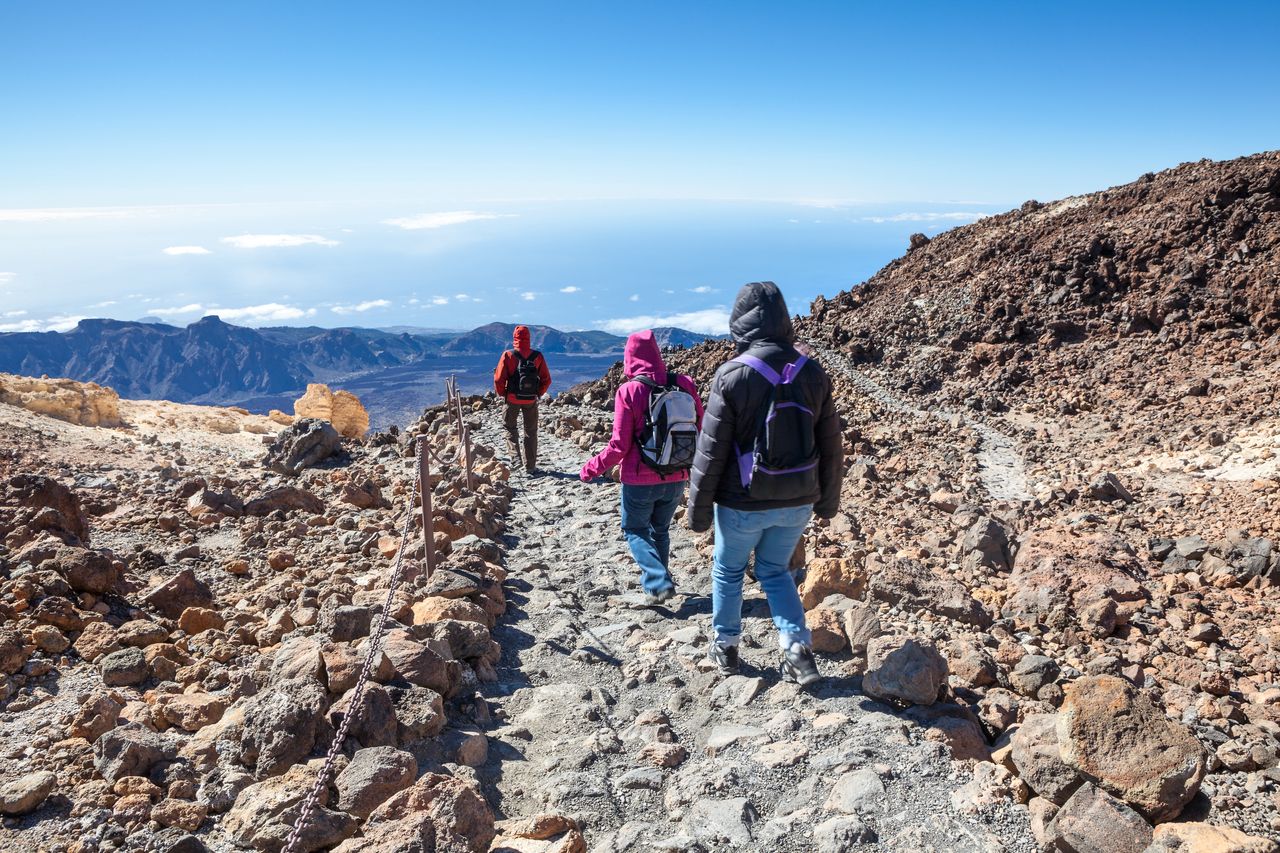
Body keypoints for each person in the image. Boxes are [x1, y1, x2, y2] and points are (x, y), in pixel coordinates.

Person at [688, 281, 843, 686]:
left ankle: (725, 647)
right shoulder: (813, 373)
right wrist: (827, 502)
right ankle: (796, 648)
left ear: (740, 323)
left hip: (742, 502)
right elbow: (831, 445)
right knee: (775, 571)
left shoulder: (732, 375)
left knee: (728, 570)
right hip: (797, 499)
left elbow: (711, 452)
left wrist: (698, 511)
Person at [580, 330, 704, 604]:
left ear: (630, 357)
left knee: (635, 530)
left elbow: (619, 446)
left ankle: (658, 581)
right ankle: (657, 587)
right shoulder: (684, 383)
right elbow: (701, 426)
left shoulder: (630, 390)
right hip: (676, 474)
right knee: (660, 530)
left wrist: (591, 468)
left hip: (639, 480)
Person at [493, 325, 551, 474]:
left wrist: (503, 394)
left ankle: (515, 458)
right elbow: (546, 379)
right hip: (530, 400)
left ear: (515, 338)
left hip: (512, 398)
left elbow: (499, 379)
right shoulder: (537, 356)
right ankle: (530, 466)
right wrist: (537, 393)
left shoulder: (508, 355)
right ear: (529, 338)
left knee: (510, 428)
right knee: (531, 431)